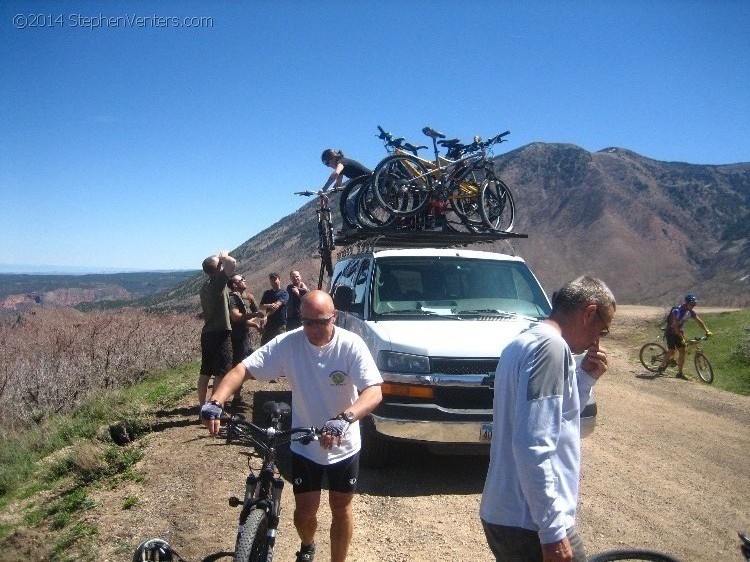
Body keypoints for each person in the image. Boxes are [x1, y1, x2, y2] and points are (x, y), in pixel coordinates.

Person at [200, 290, 383, 562]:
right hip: (305, 444)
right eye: (307, 322)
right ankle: (308, 544)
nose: (313, 329)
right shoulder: (289, 344)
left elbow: (374, 391)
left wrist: (344, 418)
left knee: (341, 508)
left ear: (333, 316)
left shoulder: (351, 345)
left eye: (321, 322)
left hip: (343, 444)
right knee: (305, 513)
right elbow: (242, 370)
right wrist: (216, 401)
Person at [480, 276, 616, 562]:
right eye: (602, 328)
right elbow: (532, 445)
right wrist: (553, 532)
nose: (598, 340)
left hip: (508, 515)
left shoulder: (524, 342)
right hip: (528, 521)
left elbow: (555, 420)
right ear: (589, 312)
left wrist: (585, 378)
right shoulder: (551, 349)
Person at [197, 251, 236, 408]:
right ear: (218, 267)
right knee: (221, 371)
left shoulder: (205, 287)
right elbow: (232, 263)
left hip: (207, 333)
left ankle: (202, 406)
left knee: (205, 372)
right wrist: (224, 256)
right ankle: (214, 407)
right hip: (220, 333)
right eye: (220, 264)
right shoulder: (217, 282)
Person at [227, 274, 264, 407]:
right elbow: (236, 317)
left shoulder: (241, 297)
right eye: (241, 280)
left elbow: (242, 321)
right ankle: (229, 398)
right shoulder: (233, 298)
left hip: (241, 336)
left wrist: (254, 324)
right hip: (236, 338)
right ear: (234, 284)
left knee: (240, 365)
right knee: (238, 367)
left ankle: (237, 397)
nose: (244, 280)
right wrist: (254, 315)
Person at [659, 293, 712, 379]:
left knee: (682, 351)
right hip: (671, 332)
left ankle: (679, 373)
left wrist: (707, 330)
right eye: (691, 304)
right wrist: (681, 337)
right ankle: (661, 367)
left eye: (694, 304)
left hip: (679, 331)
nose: (693, 306)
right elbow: (675, 326)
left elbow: (698, 321)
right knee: (671, 351)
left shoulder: (690, 312)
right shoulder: (677, 311)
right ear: (686, 303)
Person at [321, 149, 372, 230]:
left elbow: (335, 174)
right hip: (368, 185)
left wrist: (324, 189)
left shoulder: (342, 162)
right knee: (352, 201)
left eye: (327, 163)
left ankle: (349, 229)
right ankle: (350, 228)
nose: (328, 166)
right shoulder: (342, 166)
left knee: (351, 201)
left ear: (333, 158)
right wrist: (328, 197)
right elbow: (338, 185)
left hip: (373, 184)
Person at [259, 272, 289, 345]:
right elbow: (261, 306)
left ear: (279, 280)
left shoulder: (284, 293)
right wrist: (270, 305)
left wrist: (266, 316)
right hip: (269, 324)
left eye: (275, 279)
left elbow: (276, 306)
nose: (274, 282)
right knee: (264, 345)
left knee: (281, 345)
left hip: (280, 325)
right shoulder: (267, 293)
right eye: (272, 280)